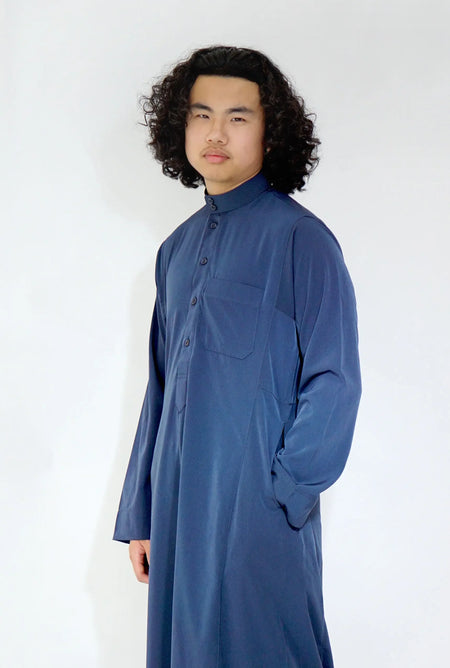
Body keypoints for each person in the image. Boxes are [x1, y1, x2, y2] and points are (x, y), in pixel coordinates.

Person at [113, 45, 361, 668]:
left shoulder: (302, 239)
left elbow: (335, 380)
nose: (216, 133)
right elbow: (159, 388)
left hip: (257, 507)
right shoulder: (175, 251)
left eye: (238, 116)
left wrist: (285, 493)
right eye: (201, 115)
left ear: (270, 131)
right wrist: (141, 512)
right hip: (176, 505)